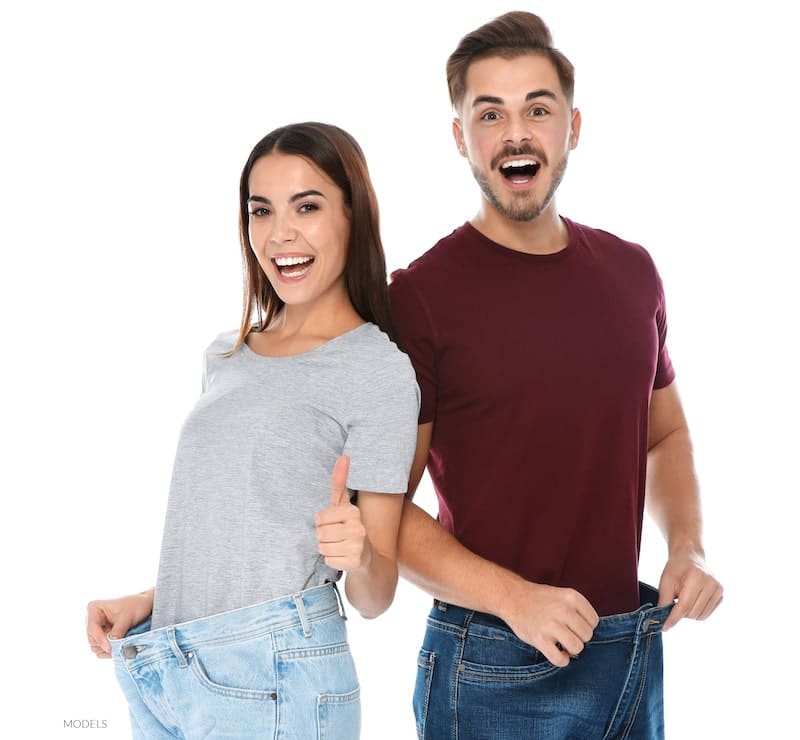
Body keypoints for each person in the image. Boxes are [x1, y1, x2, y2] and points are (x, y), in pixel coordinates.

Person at [389, 11, 723, 739]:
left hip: (631, 649)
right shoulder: (419, 297)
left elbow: (663, 434)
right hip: (491, 666)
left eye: (538, 109)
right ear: (460, 138)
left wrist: (688, 547)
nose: (516, 133)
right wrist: (514, 599)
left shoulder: (633, 273)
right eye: (490, 113)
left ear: (573, 127)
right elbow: (382, 508)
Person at [86, 122, 420, 739]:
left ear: (355, 215)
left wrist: (364, 554)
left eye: (308, 206)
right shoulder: (228, 355)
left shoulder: (378, 371)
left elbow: (377, 596)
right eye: (260, 211)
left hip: (277, 676)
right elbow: (241, 537)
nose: (280, 233)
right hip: (171, 667)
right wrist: (152, 603)